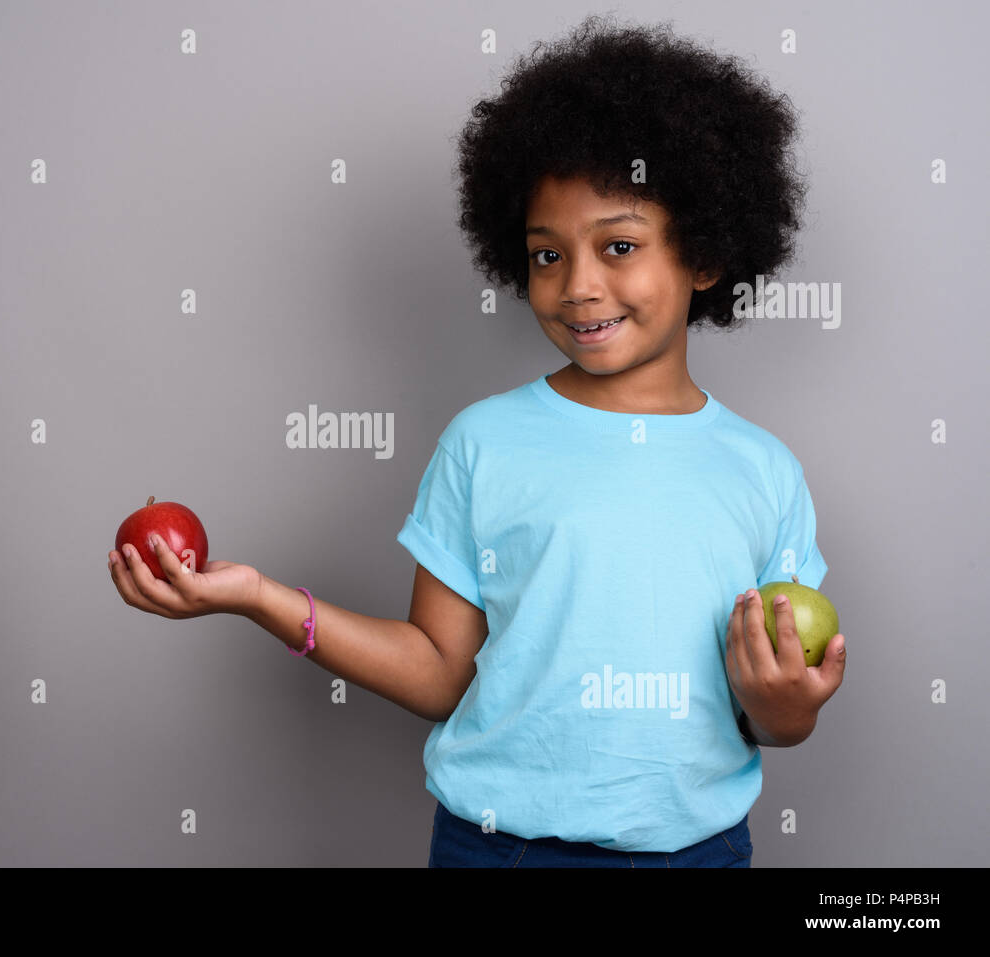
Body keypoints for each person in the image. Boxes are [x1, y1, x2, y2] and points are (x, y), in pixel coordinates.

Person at [106, 14, 847, 867]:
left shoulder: (763, 470)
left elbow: (772, 718)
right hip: (499, 850)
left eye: (619, 245)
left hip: (699, 853)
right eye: (545, 256)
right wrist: (258, 597)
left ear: (707, 255)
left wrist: (790, 705)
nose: (578, 286)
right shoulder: (484, 443)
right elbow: (438, 669)